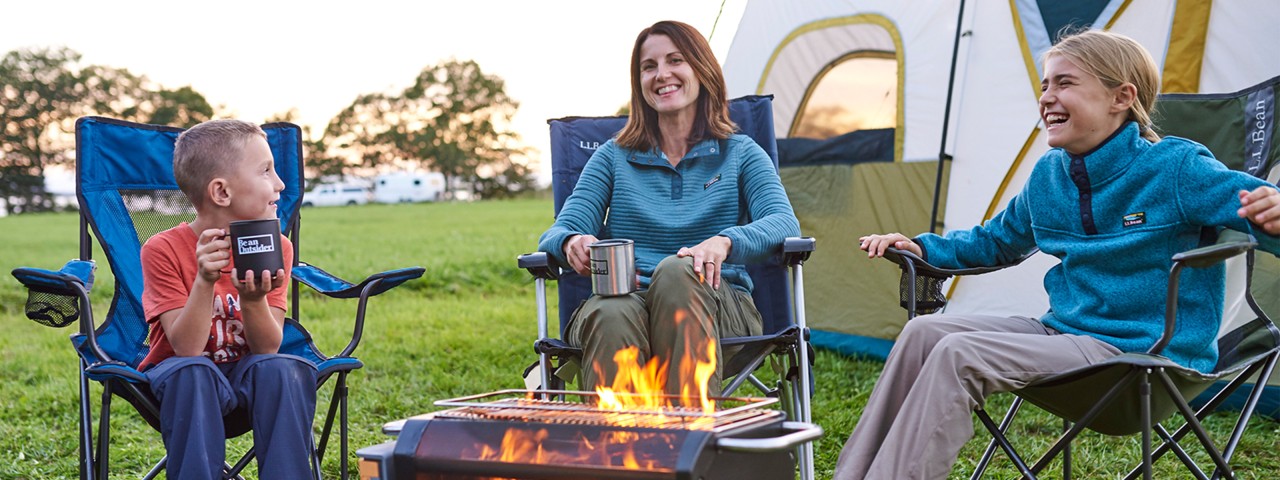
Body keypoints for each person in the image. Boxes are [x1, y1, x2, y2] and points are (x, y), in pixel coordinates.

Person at [834, 29, 1280, 479]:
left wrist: (1275, 215)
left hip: (1145, 356)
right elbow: (997, 241)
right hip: (1065, 336)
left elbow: (1260, 208)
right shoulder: (1050, 175)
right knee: (924, 333)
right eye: (1045, 85)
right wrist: (923, 247)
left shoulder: (1175, 168)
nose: (1047, 97)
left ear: (1120, 97)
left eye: (1065, 83)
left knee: (957, 352)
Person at [538, 20, 800, 398]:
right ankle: (617, 450)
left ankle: (686, 442)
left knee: (679, 272)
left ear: (702, 69)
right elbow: (558, 232)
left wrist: (725, 242)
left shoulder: (740, 152)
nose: (662, 75)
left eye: (675, 61)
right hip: (624, 310)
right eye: (649, 66)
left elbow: (783, 223)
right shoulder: (613, 157)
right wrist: (570, 242)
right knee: (612, 312)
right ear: (639, 81)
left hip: (718, 310)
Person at [138, 119, 317, 479]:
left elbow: (268, 347)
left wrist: (253, 302)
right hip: (180, 380)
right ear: (221, 192)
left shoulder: (277, 247)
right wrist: (204, 280)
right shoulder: (163, 249)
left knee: (281, 367)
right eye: (266, 171)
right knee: (194, 371)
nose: (280, 184)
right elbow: (186, 348)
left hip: (249, 377)